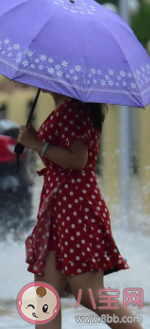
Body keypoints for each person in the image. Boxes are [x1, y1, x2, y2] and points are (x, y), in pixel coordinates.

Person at [18, 90, 143, 329]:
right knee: (45, 295)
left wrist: (37, 144)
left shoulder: (74, 111)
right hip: (58, 206)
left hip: (77, 207)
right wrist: (36, 144)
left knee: (88, 293)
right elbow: (60, 161)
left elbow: (78, 160)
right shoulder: (64, 110)